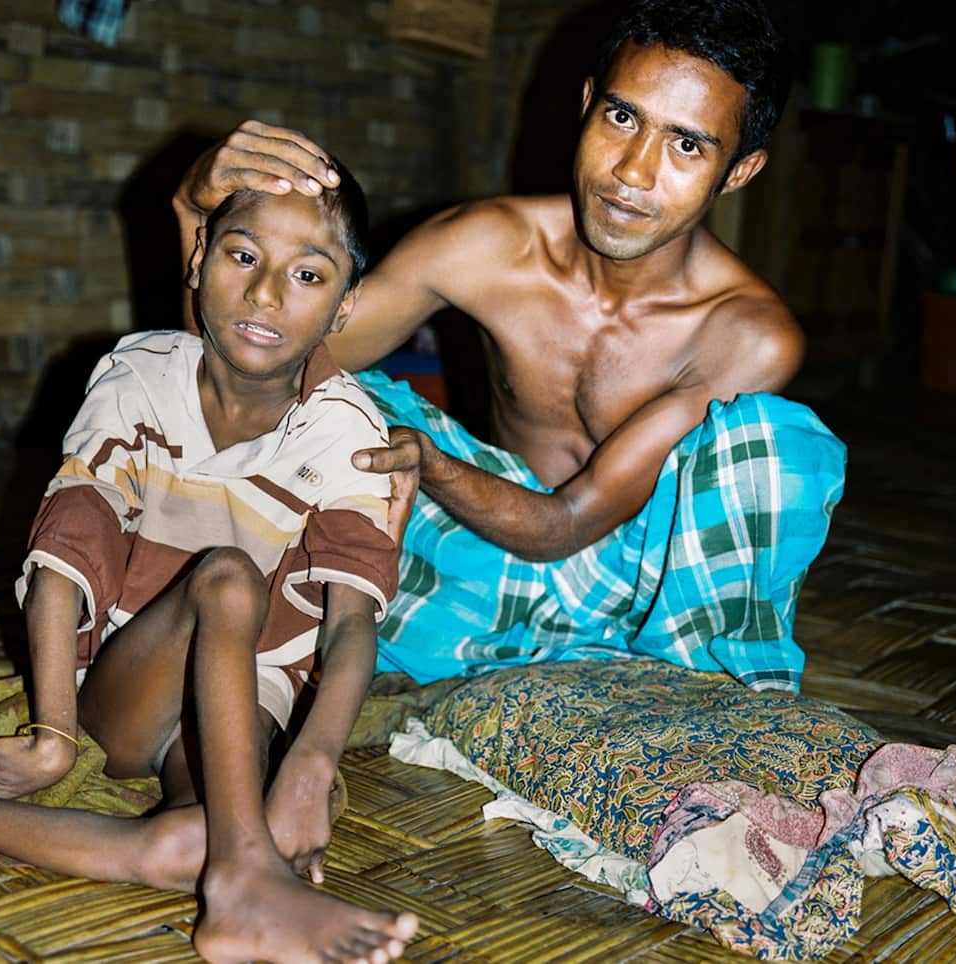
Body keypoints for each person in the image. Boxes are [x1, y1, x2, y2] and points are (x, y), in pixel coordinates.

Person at [0, 176, 420, 964]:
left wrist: (309, 764)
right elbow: (67, 547)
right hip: (128, 683)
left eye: (308, 274)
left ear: (344, 307)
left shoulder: (349, 432)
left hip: (245, 699)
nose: (266, 294)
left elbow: (351, 620)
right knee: (228, 576)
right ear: (198, 260)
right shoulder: (140, 376)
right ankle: (244, 885)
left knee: (182, 847)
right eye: (243, 255)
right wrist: (54, 734)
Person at [173, 0, 846, 694]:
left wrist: (431, 466)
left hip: (648, 602)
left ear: (738, 170)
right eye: (622, 118)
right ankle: (436, 659)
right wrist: (196, 213)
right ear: (587, 106)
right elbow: (240, 385)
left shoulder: (744, 333)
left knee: (774, 451)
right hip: (478, 563)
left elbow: (568, 524)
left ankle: (672, 699)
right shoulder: (485, 245)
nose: (634, 173)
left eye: (686, 145)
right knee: (335, 398)